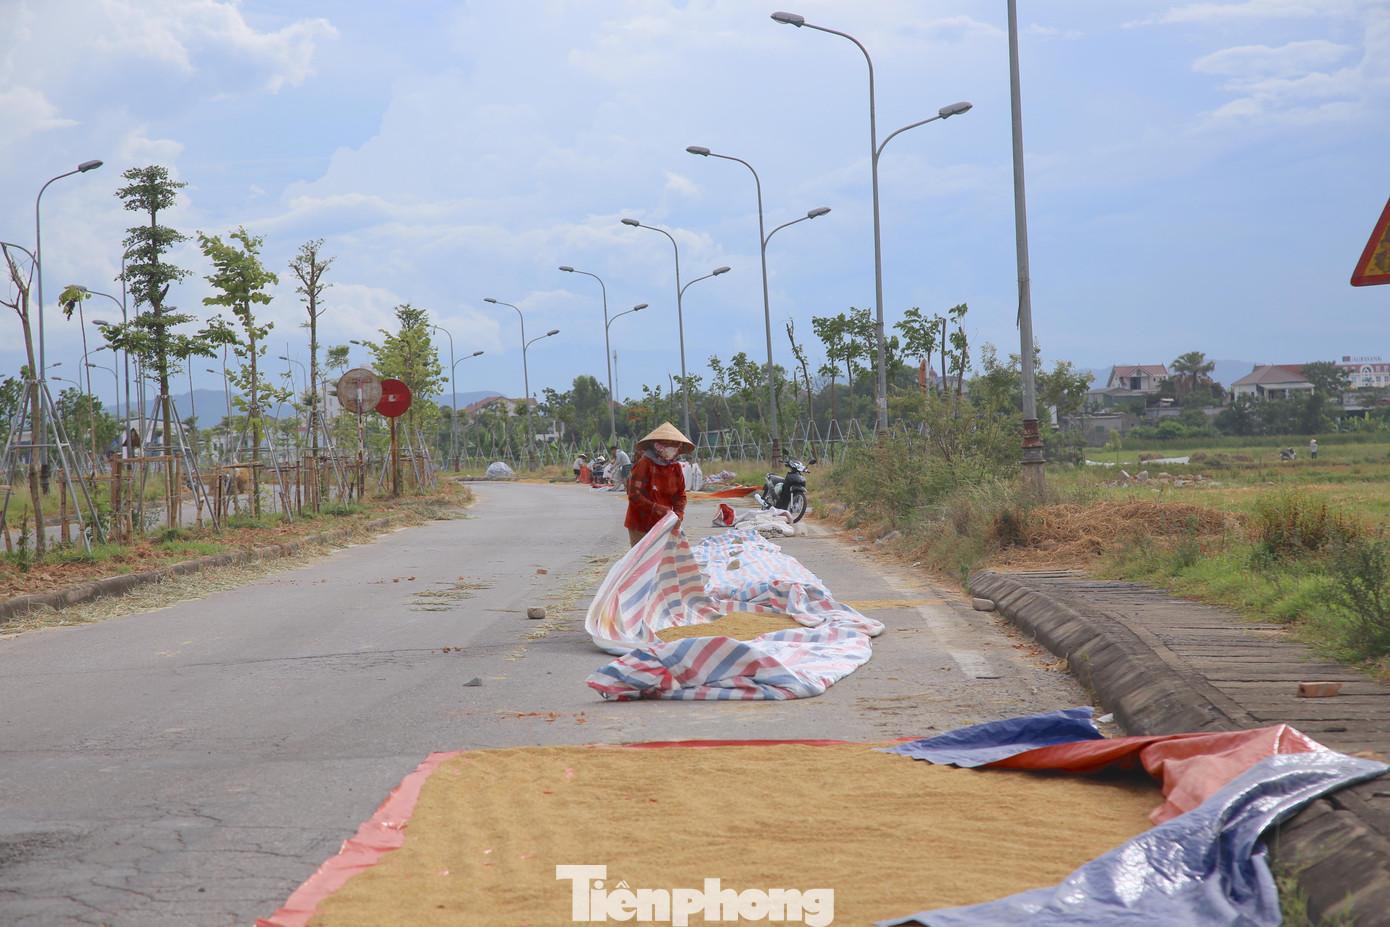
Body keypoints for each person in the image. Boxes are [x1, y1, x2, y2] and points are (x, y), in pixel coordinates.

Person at [624, 422, 694, 546]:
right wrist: (659, 509)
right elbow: (634, 495)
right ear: (658, 445)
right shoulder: (645, 464)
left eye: (676, 444)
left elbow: (680, 495)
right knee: (643, 561)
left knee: (664, 561)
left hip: (665, 523)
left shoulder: (676, 467)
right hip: (641, 523)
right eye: (668, 443)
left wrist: (678, 515)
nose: (673, 447)